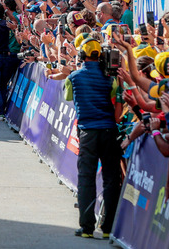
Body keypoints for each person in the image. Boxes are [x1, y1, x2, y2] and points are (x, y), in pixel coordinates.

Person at [64, 34, 121, 239]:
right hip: (109, 131)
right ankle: (108, 228)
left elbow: (67, 96)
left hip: (88, 131)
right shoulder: (111, 78)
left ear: (81, 54)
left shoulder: (74, 77)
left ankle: (87, 227)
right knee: (111, 179)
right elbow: (116, 98)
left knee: (86, 178)